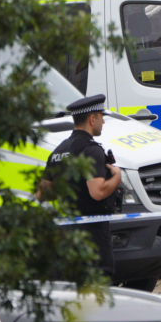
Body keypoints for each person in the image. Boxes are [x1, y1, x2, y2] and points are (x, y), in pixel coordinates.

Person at [38, 94, 122, 277]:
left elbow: (42, 194)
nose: (103, 122)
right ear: (92, 119)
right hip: (93, 240)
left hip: (67, 237)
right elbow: (97, 192)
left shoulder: (59, 150)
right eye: (101, 117)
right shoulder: (92, 150)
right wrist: (116, 177)